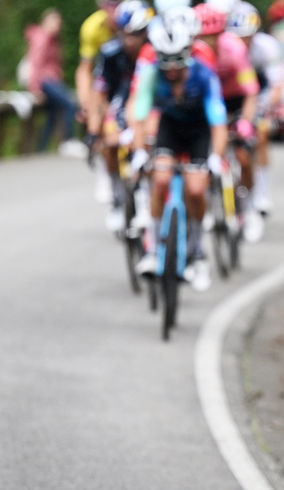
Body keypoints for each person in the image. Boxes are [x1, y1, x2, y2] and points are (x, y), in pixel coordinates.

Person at [129, 7, 229, 292]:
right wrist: (138, 152)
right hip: (169, 129)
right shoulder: (151, 74)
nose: (172, 70)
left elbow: (218, 122)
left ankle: (198, 252)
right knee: (159, 178)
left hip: (199, 131)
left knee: (196, 189)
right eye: (166, 64)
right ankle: (151, 249)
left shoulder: (204, 75)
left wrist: (214, 157)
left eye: (178, 64)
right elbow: (139, 115)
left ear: (189, 57)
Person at [194, 2, 264, 242]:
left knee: (244, 157)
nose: (210, 42)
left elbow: (251, 91)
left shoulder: (234, 49)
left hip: (235, 100)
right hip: (207, 104)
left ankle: (250, 207)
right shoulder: (191, 52)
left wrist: (245, 121)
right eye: (204, 36)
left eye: (215, 35)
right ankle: (208, 202)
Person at [90, 0, 153, 232]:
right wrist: (93, 130)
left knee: (148, 144)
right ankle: (117, 198)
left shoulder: (156, 52)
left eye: (135, 35)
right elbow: (100, 94)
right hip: (119, 102)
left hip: (147, 105)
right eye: (125, 34)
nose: (130, 41)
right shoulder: (110, 52)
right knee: (110, 143)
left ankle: (147, 199)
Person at [227, 1, 281, 221]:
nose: (245, 42)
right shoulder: (227, 48)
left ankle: (261, 193)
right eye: (240, 37)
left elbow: (276, 85)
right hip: (234, 96)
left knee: (261, 135)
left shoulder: (266, 47)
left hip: (260, 95)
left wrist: (265, 109)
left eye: (248, 36)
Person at [25, 9, 84, 156]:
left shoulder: (54, 39)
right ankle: (67, 141)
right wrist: (35, 87)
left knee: (52, 115)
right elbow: (35, 63)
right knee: (69, 104)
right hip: (44, 81)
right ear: (46, 22)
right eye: (56, 22)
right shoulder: (42, 38)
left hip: (53, 80)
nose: (58, 26)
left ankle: (40, 149)